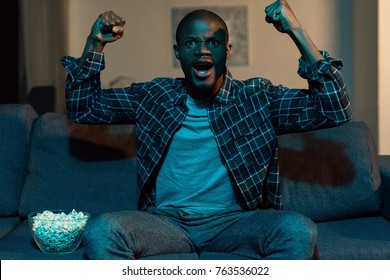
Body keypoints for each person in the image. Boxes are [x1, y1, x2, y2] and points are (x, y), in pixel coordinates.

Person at [62, 0, 352, 260]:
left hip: (235, 224)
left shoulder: (256, 97)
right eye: (191, 43)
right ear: (178, 51)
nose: (202, 49)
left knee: (297, 229)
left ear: (227, 50)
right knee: (102, 230)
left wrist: (296, 30)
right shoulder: (154, 96)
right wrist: (95, 43)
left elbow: (334, 110)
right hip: (166, 223)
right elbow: (83, 107)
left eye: (212, 42)